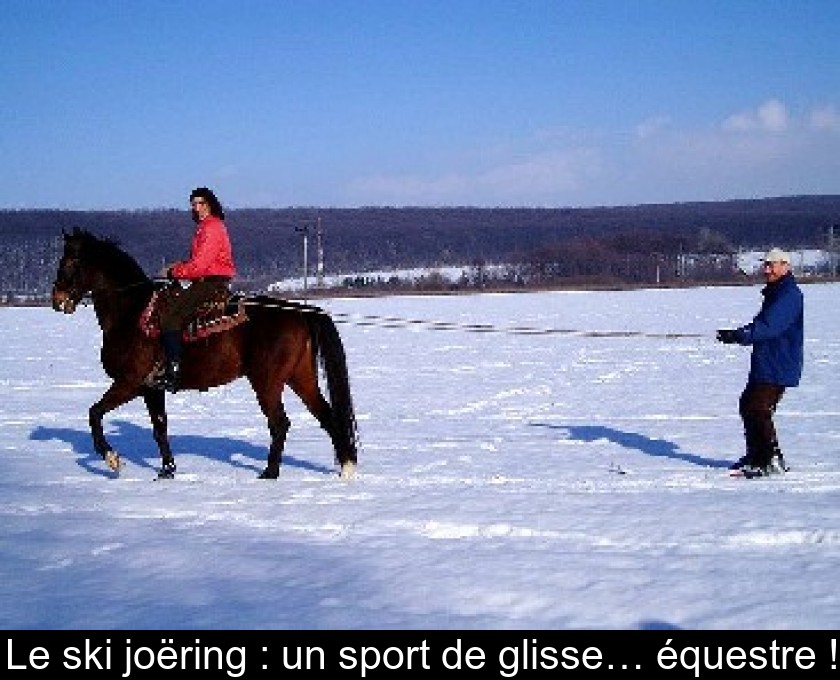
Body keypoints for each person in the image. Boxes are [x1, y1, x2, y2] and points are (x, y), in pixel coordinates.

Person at [716, 247, 803, 477]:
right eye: (766, 264)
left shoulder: (789, 295)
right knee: (748, 405)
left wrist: (739, 335)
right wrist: (736, 334)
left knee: (758, 408)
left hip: (778, 363)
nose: (767, 269)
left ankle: (770, 459)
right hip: (766, 361)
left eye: (772, 265)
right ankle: (757, 455)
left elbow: (770, 327)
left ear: (786, 266)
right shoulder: (777, 293)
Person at [157, 187, 236, 392]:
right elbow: (199, 262)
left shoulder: (211, 227)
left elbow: (200, 266)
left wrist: (174, 272)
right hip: (206, 278)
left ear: (210, 204)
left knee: (170, 317)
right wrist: (180, 266)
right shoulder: (206, 226)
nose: (197, 208)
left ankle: (174, 370)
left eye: (201, 203)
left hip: (210, 281)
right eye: (194, 204)